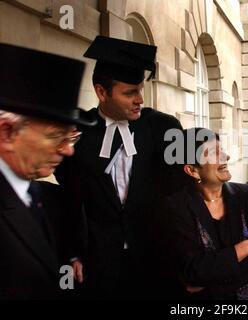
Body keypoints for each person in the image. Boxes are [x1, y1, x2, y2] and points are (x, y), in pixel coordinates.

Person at [54, 36, 183, 299]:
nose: (140, 99)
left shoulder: (163, 128)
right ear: (102, 92)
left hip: (153, 257)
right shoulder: (77, 132)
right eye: (129, 93)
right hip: (99, 260)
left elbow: (182, 191)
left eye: (140, 89)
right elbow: (69, 199)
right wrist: (73, 252)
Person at [0, 43, 96, 299]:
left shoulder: (45, 195)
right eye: (55, 136)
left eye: (71, 138)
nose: (68, 151)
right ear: (8, 132)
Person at [162, 128, 248, 300]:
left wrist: (209, 277)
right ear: (192, 170)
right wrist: (246, 247)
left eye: (221, 150)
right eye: (214, 153)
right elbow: (192, 270)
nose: (226, 157)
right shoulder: (176, 207)